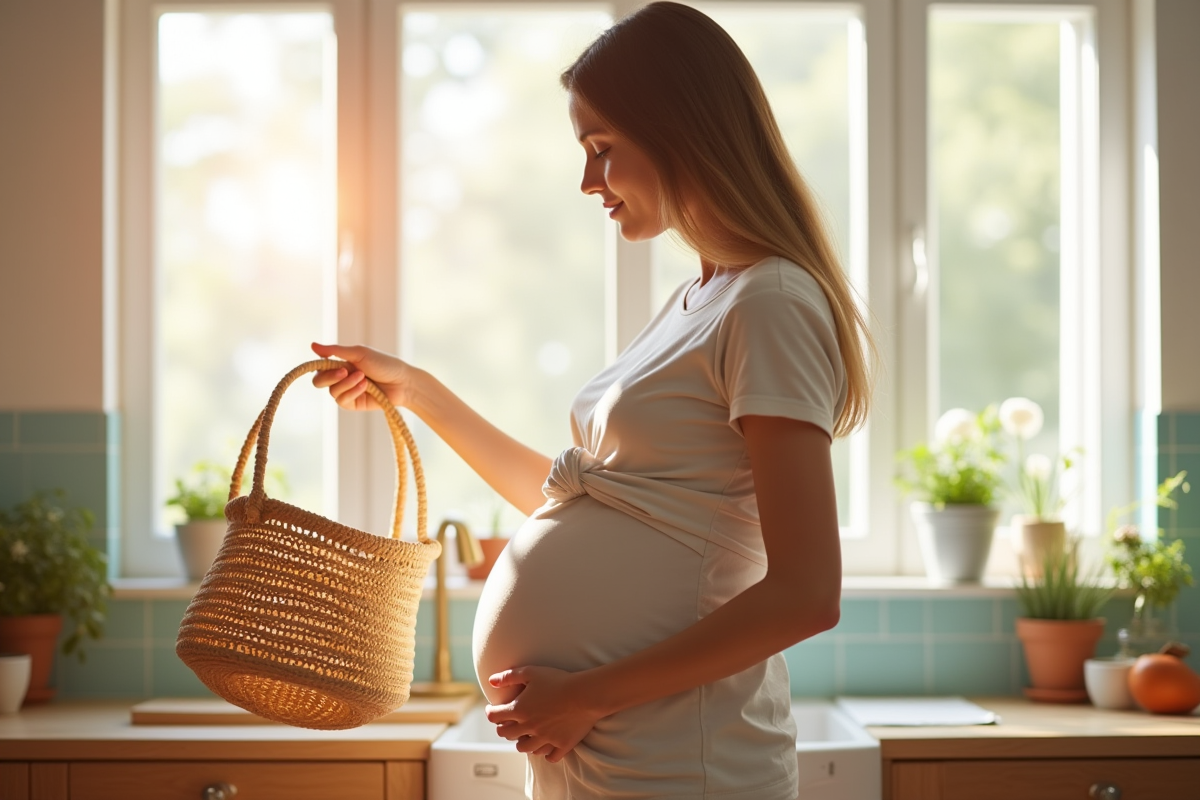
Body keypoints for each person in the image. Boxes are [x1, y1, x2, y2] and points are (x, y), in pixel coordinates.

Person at [312, 2, 874, 797]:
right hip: (613, 762)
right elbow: (587, 502)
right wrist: (421, 394)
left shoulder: (769, 302)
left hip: (683, 766)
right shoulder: (699, 299)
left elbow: (806, 594)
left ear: (683, 133)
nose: (587, 182)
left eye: (602, 150)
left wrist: (587, 695)